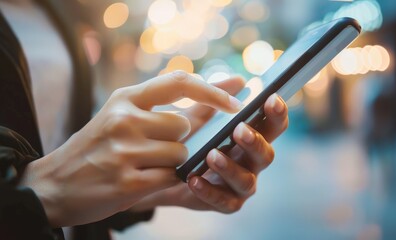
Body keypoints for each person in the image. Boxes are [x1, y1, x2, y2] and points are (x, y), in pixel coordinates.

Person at [0, 0, 289, 239]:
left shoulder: (57, 13)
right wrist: (39, 193)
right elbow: (56, 184)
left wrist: (147, 186)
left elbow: (61, 153)